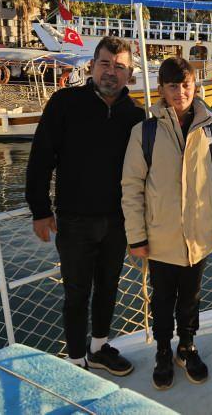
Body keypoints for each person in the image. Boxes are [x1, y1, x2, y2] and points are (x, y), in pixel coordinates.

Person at [25, 36, 144, 373]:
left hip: (118, 221)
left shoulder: (135, 114)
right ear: (92, 66)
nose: (111, 72)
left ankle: (99, 348)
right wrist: (40, 210)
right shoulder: (65, 103)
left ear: (129, 73)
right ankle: (77, 360)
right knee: (77, 293)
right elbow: (41, 158)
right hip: (75, 220)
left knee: (109, 287)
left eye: (120, 66)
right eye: (105, 63)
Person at [121, 57, 212, 390]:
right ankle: (162, 350)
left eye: (186, 85)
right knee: (161, 298)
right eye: (173, 85)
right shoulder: (145, 132)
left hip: (199, 235)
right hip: (159, 237)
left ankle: (187, 346)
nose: (180, 92)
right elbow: (131, 187)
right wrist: (136, 235)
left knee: (191, 296)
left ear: (194, 86)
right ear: (162, 90)